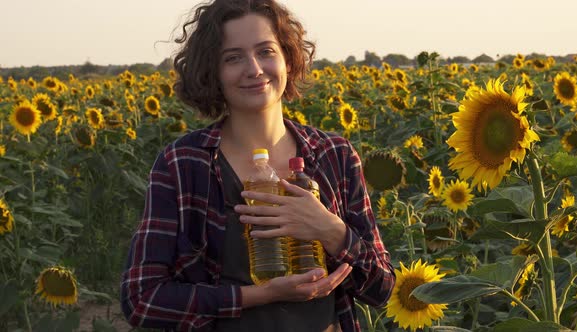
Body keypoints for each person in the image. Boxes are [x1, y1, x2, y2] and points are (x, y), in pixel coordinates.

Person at [120, 0, 394, 331]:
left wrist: (330, 230)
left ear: (288, 60)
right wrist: (257, 295)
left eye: (266, 51)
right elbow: (141, 299)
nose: (254, 68)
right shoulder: (183, 163)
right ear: (213, 72)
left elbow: (383, 289)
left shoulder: (334, 154)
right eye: (233, 58)